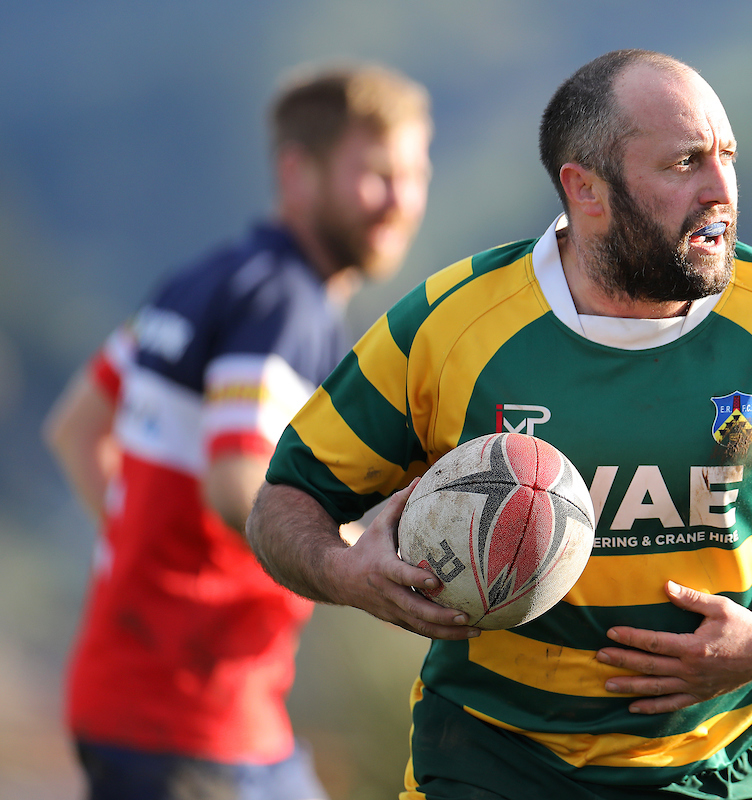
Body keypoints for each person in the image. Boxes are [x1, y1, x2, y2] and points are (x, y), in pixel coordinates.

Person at [247, 49, 752, 800]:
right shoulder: (451, 327)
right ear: (586, 190)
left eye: (727, 158)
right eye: (683, 163)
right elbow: (285, 502)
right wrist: (344, 573)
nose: (720, 190)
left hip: (714, 772)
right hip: (489, 762)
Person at [42, 62, 433, 800]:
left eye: (415, 173)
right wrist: (351, 561)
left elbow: (76, 429)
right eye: (376, 174)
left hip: (129, 694)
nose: (401, 200)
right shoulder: (290, 304)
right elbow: (235, 483)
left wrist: (147, 556)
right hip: (196, 721)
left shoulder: (204, 278)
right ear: (298, 172)